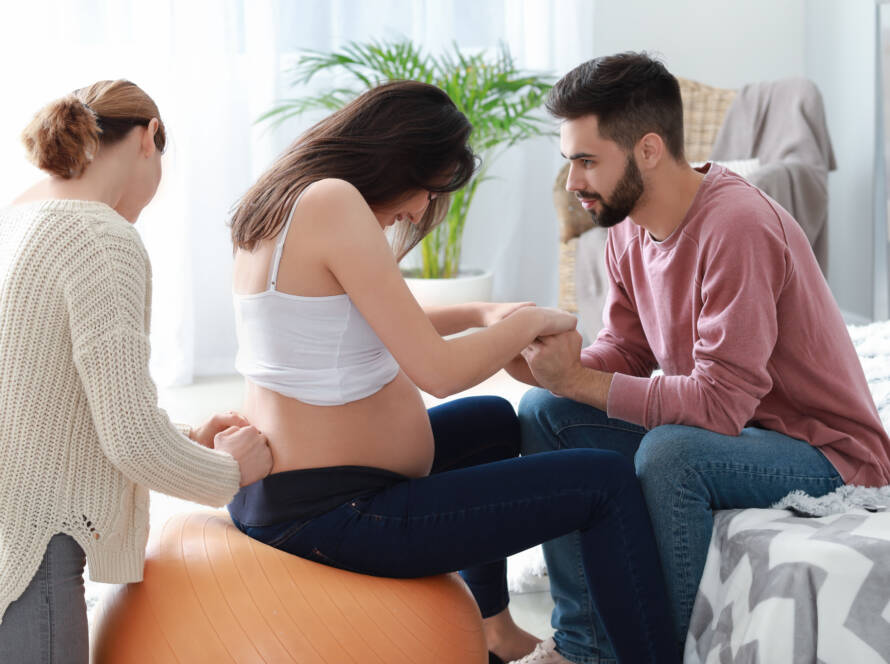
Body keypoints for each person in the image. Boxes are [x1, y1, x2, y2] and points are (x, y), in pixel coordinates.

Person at [226, 79, 679, 664]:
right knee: (603, 483)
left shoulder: (287, 199)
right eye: (428, 189)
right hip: (336, 515)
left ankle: (491, 629)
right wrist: (529, 324)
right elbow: (436, 372)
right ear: (397, 158)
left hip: (295, 495)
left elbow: (366, 316)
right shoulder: (332, 202)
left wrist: (480, 313)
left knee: (493, 421)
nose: (419, 211)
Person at [511, 52, 890, 664]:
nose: (572, 181)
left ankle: (663, 652)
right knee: (544, 410)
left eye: (586, 160)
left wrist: (581, 379)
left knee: (672, 453)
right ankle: (583, 646)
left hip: (825, 448)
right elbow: (630, 351)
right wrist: (551, 366)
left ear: (649, 150)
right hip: (743, 431)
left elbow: (717, 404)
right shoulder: (627, 230)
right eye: (569, 161)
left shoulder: (737, 226)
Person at [0, 80, 274, 664]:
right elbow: (127, 439)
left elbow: (52, 407)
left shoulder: (19, 219)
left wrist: (183, 440)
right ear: (149, 137)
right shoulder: (100, 237)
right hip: (35, 550)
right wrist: (230, 471)